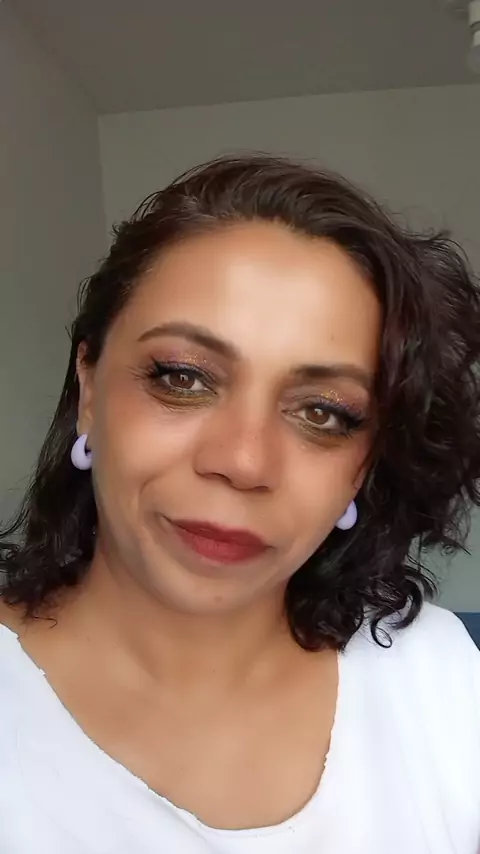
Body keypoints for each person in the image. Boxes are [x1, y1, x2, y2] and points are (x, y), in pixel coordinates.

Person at [1, 154, 480, 854]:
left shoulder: (435, 676)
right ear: (91, 390)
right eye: (183, 378)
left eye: (323, 412)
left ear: (363, 465)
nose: (244, 461)